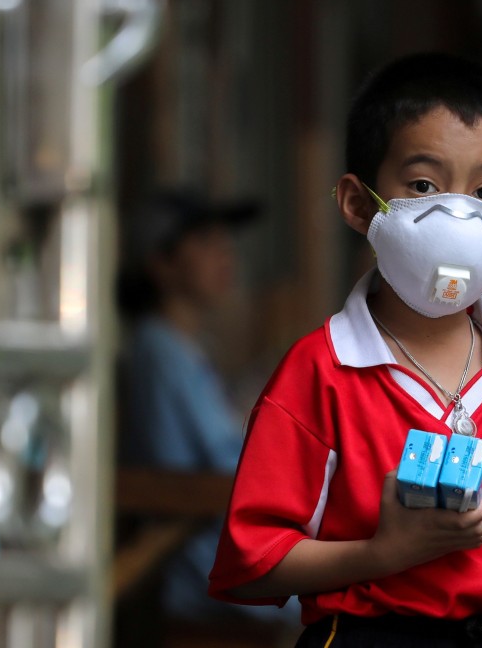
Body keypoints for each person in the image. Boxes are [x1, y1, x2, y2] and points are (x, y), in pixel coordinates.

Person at [207, 51, 482, 647]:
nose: (457, 211)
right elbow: (253, 566)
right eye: (423, 184)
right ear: (357, 203)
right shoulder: (320, 371)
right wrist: (385, 553)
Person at [116, 187, 300, 631]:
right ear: (161, 264)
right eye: (205, 243)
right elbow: (229, 458)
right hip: (203, 559)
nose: (225, 256)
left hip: (219, 544)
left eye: (225, 243)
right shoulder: (159, 350)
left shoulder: (184, 347)